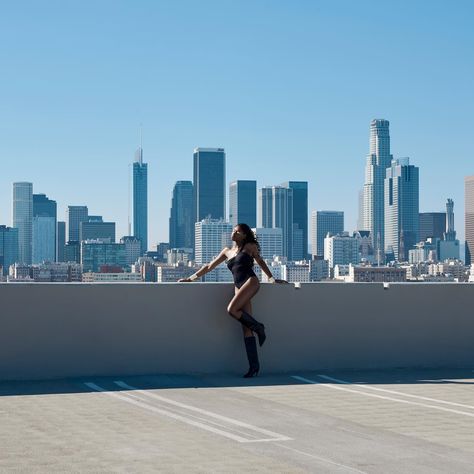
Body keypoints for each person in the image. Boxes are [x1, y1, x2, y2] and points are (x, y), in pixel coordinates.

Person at [179, 223, 284, 377]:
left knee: (231, 310)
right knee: (246, 328)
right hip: (238, 287)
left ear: (244, 235)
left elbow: (260, 262)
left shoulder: (249, 246)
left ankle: (260, 328)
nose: (234, 233)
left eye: (238, 232)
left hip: (251, 282)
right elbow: (209, 266)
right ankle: (254, 368)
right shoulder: (227, 252)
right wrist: (190, 278)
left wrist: (272, 278)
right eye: (233, 231)